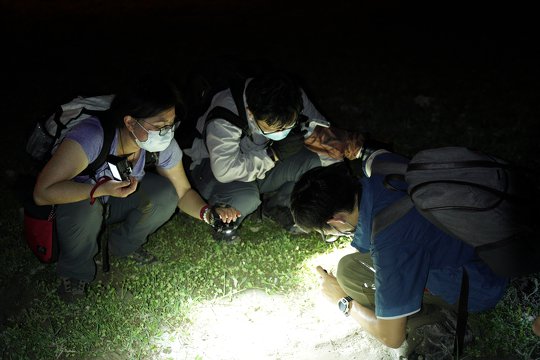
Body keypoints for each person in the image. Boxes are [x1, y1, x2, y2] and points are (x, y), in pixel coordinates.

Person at [33, 75, 240, 302]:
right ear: (130, 122)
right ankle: (75, 271)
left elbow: (183, 192)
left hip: (116, 197)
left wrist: (209, 214)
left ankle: (123, 246)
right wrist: (99, 190)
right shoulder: (91, 136)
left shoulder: (162, 144)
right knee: (85, 207)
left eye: (171, 124)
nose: (168, 132)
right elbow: (43, 193)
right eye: (160, 126)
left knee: (165, 193)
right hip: (79, 201)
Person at [290, 156, 509, 357]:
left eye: (325, 233)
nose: (330, 236)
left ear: (336, 221)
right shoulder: (382, 175)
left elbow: (390, 338)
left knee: (360, 292)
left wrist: (343, 301)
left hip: (477, 287)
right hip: (481, 246)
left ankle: (432, 322)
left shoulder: (391, 242)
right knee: (349, 269)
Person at [184, 70, 359, 240]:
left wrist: (341, 186)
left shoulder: (292, 96)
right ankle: (224, 221)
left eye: (288, 126)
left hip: (261, 161)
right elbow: (225, 171)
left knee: (316, 161)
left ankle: (279, 205)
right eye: (275, 128)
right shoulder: (224, 116)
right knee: (246, 198)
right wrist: (272, 154)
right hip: (213, 169)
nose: (282, 132)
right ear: (251, 113)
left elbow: (324, 136)